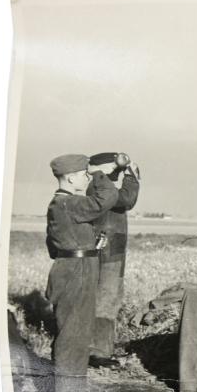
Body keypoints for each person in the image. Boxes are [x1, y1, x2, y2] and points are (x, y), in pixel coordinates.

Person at [45, 154, 118, 392]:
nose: (87, 178)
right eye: (85, 174)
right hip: (76, 271)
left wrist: (85, 246)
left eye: (90, 175)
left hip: (75, 267)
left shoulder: (60, 205)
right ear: (72, 177)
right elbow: (107, 199)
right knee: (73, 333)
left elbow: (53, 246)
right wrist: (101, 174)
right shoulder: (69, 203)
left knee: (75, 331)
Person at [86, 152, 141, 368]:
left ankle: (96, 349)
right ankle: (97, 352)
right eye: (116, 167)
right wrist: (132, 178)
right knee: (107, 297)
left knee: (107, 296)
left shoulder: (99, 186)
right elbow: (127, 199)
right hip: (108, 251)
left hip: (111, 248)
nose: (119, 170)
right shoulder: (101, 187)